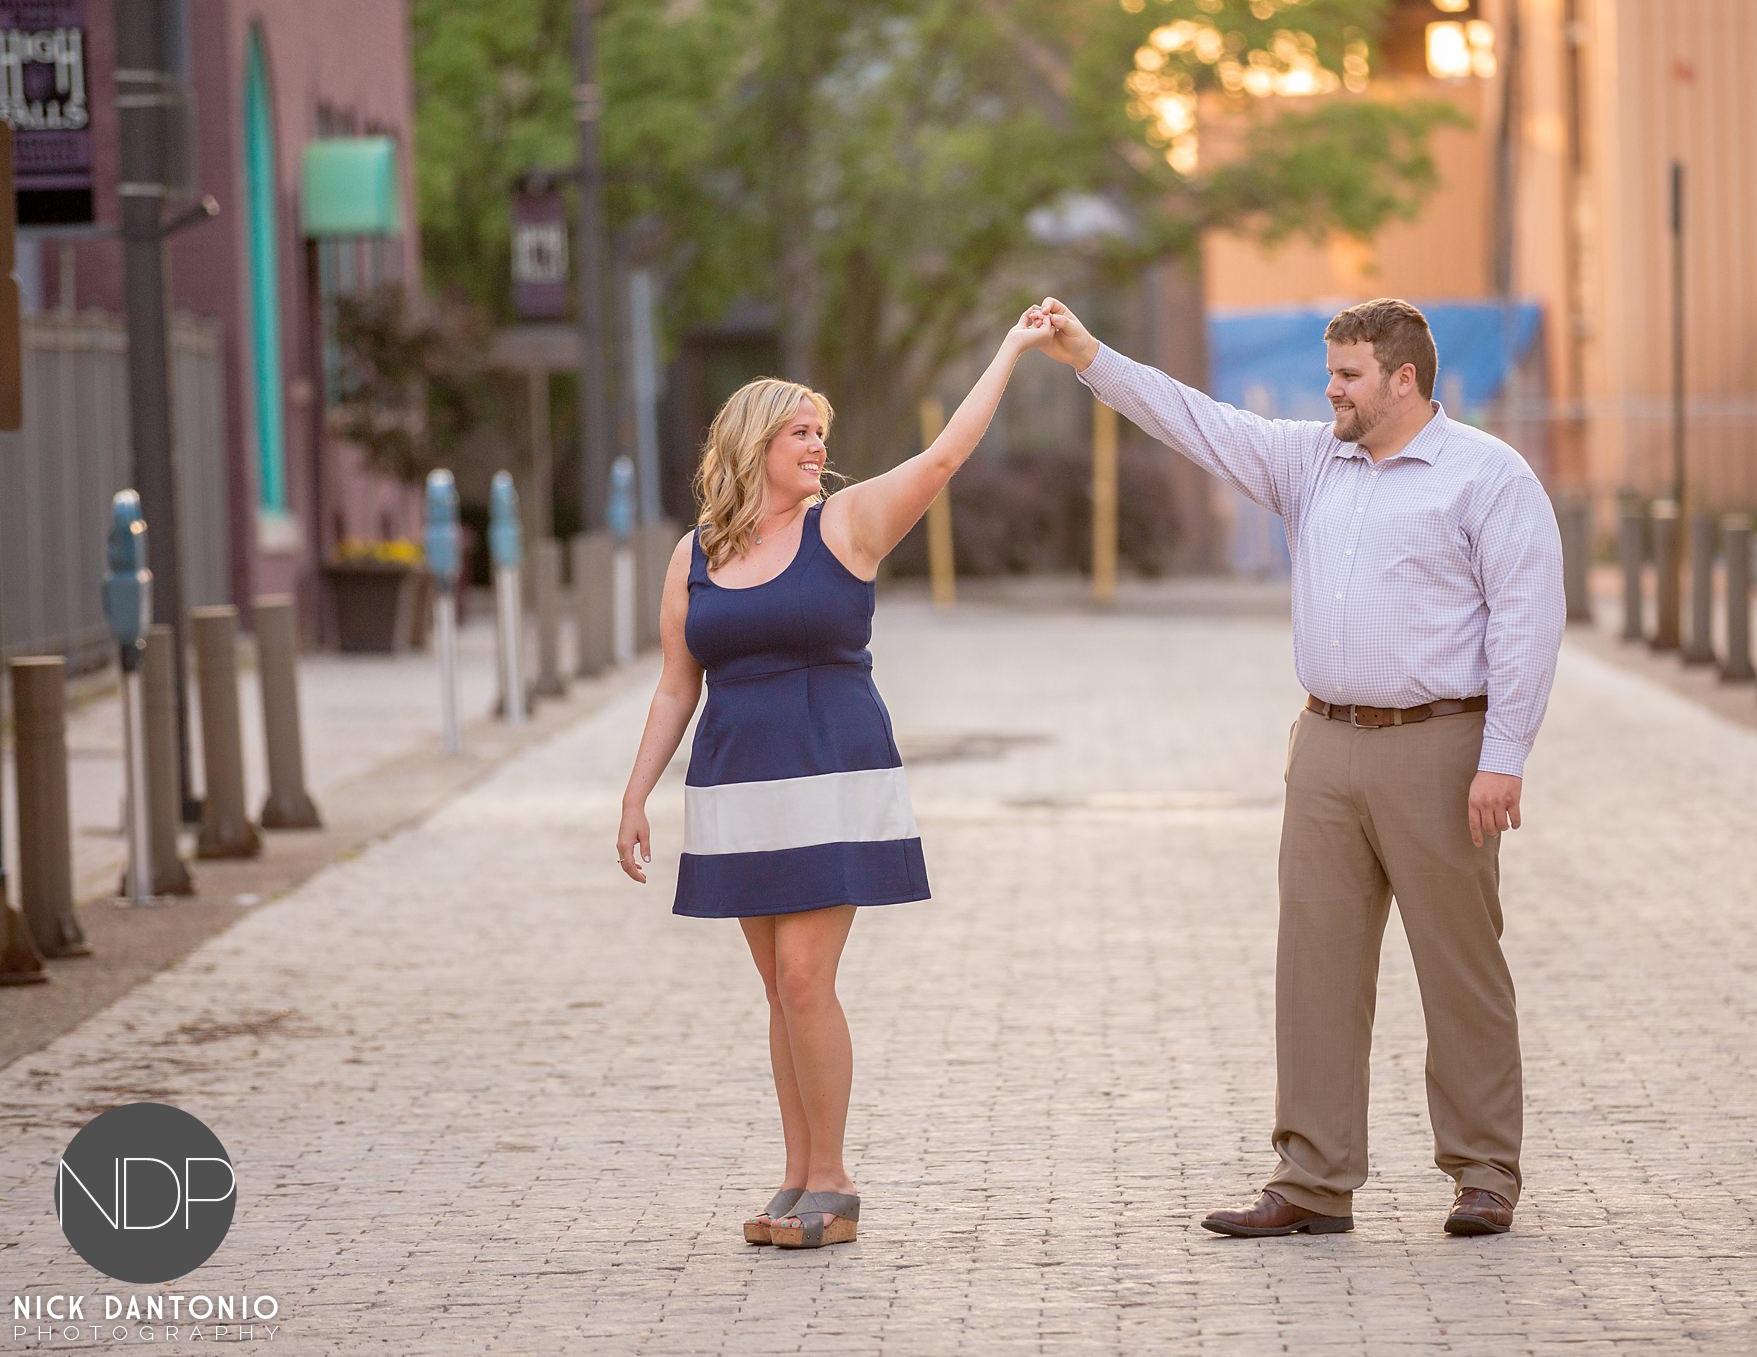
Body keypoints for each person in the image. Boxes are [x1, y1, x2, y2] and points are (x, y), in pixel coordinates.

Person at [1030, 295, 1564, 1238]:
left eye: (1349, 376)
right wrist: (1089, 356)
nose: (1332, 392)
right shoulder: (1314, 459)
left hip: (1442, 746)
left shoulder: (1488, 476)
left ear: (1404, 379)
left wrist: (1503, 757)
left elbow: (1528, 620)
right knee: (1313, 965)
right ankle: (1313, 1179)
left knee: (1460, 966)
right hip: (1323, 746)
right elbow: (1195, 418)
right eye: (1330, 374)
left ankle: (1484, 1171)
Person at [614, 308, 1054, 1249]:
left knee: (809, 976)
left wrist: (1010, 349)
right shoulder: (695, 555)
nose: (817, 445)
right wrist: (635, 792)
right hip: (735, 786)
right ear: (751, 444)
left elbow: (941, 458)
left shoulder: (848, 521)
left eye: (822, 432)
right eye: (799, 432)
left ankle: (834, 1179)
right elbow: (673, 686)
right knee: (778, 989)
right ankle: (793, 1172)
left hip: (834, 772)